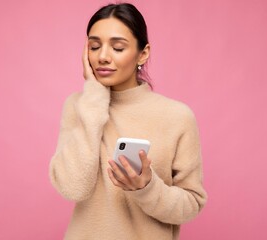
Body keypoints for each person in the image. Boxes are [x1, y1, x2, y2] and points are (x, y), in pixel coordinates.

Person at [49, 3, 207, 240]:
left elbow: (191, 203)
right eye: (94, 46)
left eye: (118, 47)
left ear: (142, 53)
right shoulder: (79, 106)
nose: (102, 56)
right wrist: (93, 96)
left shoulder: (177, 116)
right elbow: (72, 187)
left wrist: (146, 188)